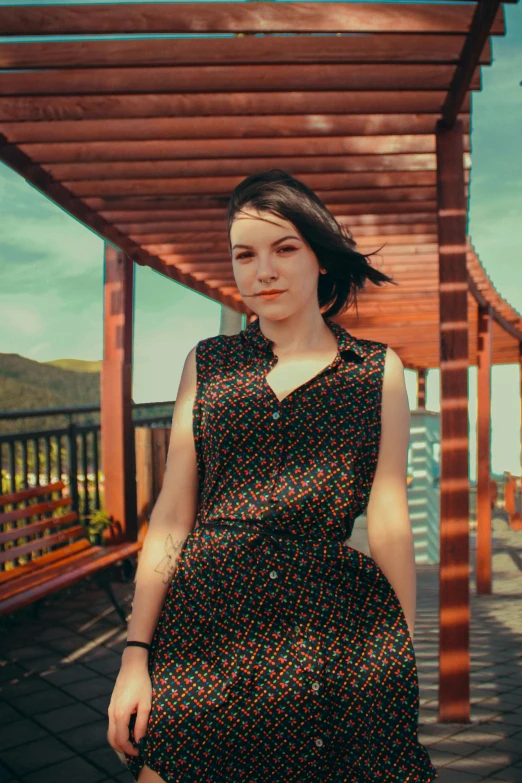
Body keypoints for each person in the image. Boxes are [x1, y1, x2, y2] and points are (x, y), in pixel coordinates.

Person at [107, 168, 438, 782]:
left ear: (320, 256)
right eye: (245, 254)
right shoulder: (207, 363)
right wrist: (135, 655)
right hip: (205, 623)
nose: (264, 271)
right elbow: (174, 515)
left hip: (335, 629)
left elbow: (388, 515)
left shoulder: (375, 370)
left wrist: (402, 653)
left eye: (284, 248)